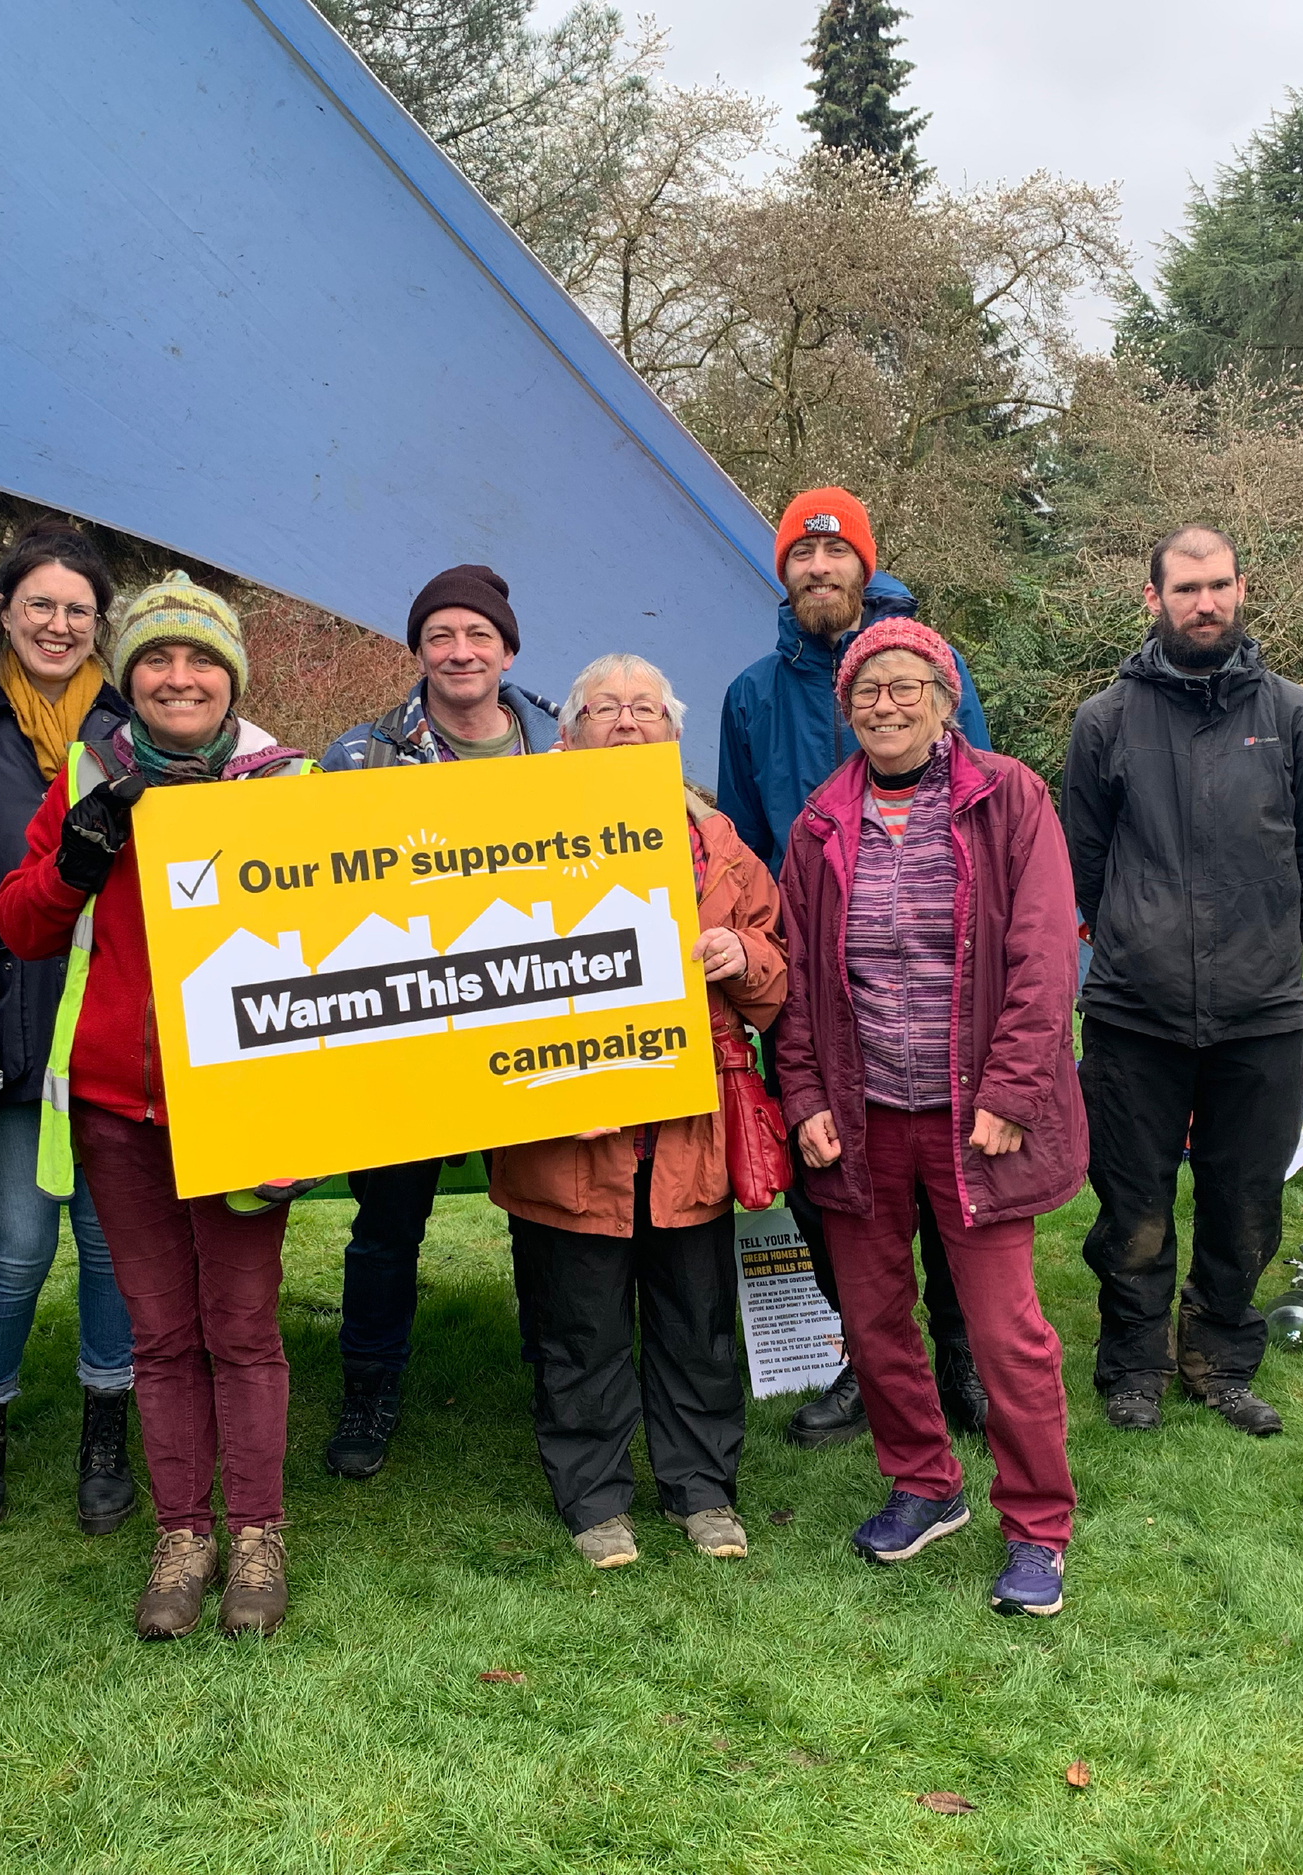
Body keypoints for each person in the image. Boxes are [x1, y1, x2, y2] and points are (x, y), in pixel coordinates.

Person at [0, 573, 312, 1639]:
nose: (179, 679)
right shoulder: (89, 775)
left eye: (201, 661)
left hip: (240, 1105)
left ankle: (258, 1534)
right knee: (162, 1334)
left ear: (231, 678)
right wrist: (73, 866)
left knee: (242, 1327)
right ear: (129, 677)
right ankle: (184, 1533)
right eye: (158, 662)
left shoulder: (286, 783)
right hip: (114, 1107)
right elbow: (26, 928)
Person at [774, 620, 1085, 1618]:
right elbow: (797, 986)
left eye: (908, 686)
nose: (885, 705)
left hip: (974, 1118)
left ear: (946, 700)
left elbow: (1041, 959)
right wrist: (807, 1100)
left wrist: (1009, 1092)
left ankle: (1036, 1527)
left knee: (1005, 1333)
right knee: (870, 1321)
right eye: (867, 690)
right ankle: (924, 1483)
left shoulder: (1009, 800)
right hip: (863, 1118)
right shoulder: (821, 822)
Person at [489, 655, 786, 1567]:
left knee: (696, 1322)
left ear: (673, 731)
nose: (626, 720)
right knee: (580, 1327)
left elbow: (779, 976)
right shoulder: (504, 832)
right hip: (565, 1131)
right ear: (569, 731)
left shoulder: (723, 844)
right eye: (603, 707)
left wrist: (743, 954)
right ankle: (595, 1499)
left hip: (689, 1131)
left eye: (646, 707)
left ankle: (703, 1491)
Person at [717, 487, 995, 1450]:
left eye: (838, 556)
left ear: (866, 567)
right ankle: (861, 1356)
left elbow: (987, 811)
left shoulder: (931, 664)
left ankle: (962, 1352)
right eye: (803, 556)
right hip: (816, 986)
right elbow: (743, 851)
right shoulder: (751, 695)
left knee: (953, 1181)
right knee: (830, 1181)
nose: (820, 570)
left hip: (935, 983)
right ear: (783, 572)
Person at [1060, 526, 1303, 1439]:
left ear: (1242, 588)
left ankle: (1220, 1359)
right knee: (1133, 1204)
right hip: (1131, 1013)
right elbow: (1083, 868)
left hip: (1259, 1014)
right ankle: (1133, 1364)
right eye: (1185, 587)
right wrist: (1145, 942)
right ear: (1152, 599)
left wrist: (1256, 949)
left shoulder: (1299, 717)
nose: (1205, 602)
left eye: (1219, 584)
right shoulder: (1105, 720)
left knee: (1244, 1203)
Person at [313, 565, 559, 1479]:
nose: (460, 651)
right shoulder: (357, 756)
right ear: (417, 650)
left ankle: (558, 1382)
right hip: (403, 1033)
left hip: (535, 1020)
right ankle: (369, 1387)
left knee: (546, 1216)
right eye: (441, 636)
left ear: (507, 648)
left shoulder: (566, 748)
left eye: (478, 635)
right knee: (386, 1222)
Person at [0, 523, 137, 1539]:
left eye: (77, 610)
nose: (58, 624)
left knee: (108, 1246)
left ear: (101, 626)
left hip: (113, 1035)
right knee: (13, 1246)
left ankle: (106, 1429)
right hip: (7, 1031)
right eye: (39, 605)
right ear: (6, 612)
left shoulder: (143, 732)